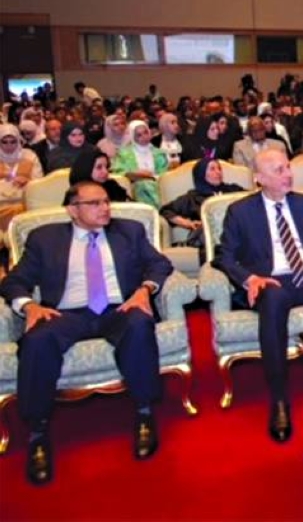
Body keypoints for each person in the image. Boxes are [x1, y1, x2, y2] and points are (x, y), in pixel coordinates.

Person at [0, 181, 173, 484]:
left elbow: (159, 264)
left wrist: (146, 290)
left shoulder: (129, 231)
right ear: (72, 209)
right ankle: (37, 432)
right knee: (37, 340)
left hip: (118, 308)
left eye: (106, 201)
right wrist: (29, 307)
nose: (105, 208)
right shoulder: (44, 238)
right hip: (66, 313)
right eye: (94, 203)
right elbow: (14, 281)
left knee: (139, 324)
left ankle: (145, 412)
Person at [213, 149, 303, 443]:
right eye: (279, 170)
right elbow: (223, 256)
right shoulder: (240, 212)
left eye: (288, 168)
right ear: (259, 179)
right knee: (274, 299)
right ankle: (279, 399)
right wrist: (250, 278)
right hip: (273, 281)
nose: (288, 175)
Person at [160, 158, 242, 257]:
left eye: (219, 168)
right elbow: (165, 211)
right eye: (212, 169)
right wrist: (187, 223)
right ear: (201, 174)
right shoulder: (193, 197)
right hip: (207, 239)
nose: (218, 172)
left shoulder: (234, 190)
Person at [112, 121, 169, 208]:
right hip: (136, 186)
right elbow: (117, 171)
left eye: (145, 132)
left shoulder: (159, 153)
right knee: (143, 185)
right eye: (139, 135)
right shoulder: (124, 154)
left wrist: (152, 177)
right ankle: (159, 212)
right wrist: (136, 174)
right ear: (132, 137)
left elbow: (165, 172)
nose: (144, 137)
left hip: (157, 183)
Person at [0, 123, 43, 231]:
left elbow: (40, 183)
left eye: (13, 142)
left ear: (19, 140)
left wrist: (28, 182)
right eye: (4, 142)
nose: (9, 146)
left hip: (25, 204)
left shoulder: (29, 156)